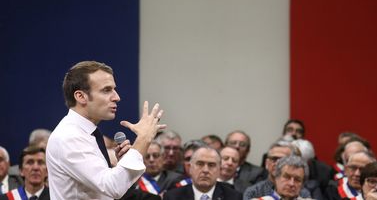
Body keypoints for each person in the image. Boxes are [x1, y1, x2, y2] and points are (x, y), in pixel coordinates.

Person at [46, 61, 165, 200]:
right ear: (80, 96)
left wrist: (122, 165)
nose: (117, 97)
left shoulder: (85, 133)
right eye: (106, 90)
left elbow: (102, 190)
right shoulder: (68, 137)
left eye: (114, 89)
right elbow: (113, 187)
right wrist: (143, 139)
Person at [164, 145, 242, 200]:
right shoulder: (172, 197)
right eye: (200, 164)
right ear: (190, 168)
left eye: (211, 165)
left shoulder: (234, 197)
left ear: (219, 170)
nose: (205, 170)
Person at [243, 139, 312, 200]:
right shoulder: (253, 191)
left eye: (284, 159)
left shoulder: (303, 193)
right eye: (274, 159)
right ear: (267, 163)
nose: (278, 163)